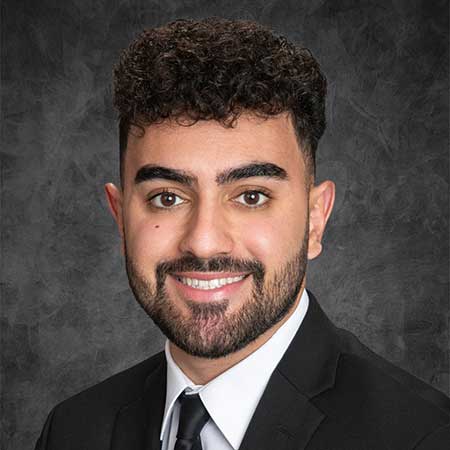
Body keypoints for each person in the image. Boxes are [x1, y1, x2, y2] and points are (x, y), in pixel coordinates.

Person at [34, 17, 449, 450]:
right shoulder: (73, 429)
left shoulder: (424, 437)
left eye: (251, 196)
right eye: (167, 198)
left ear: (315, 219)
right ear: (121, 218)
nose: (204, 242)